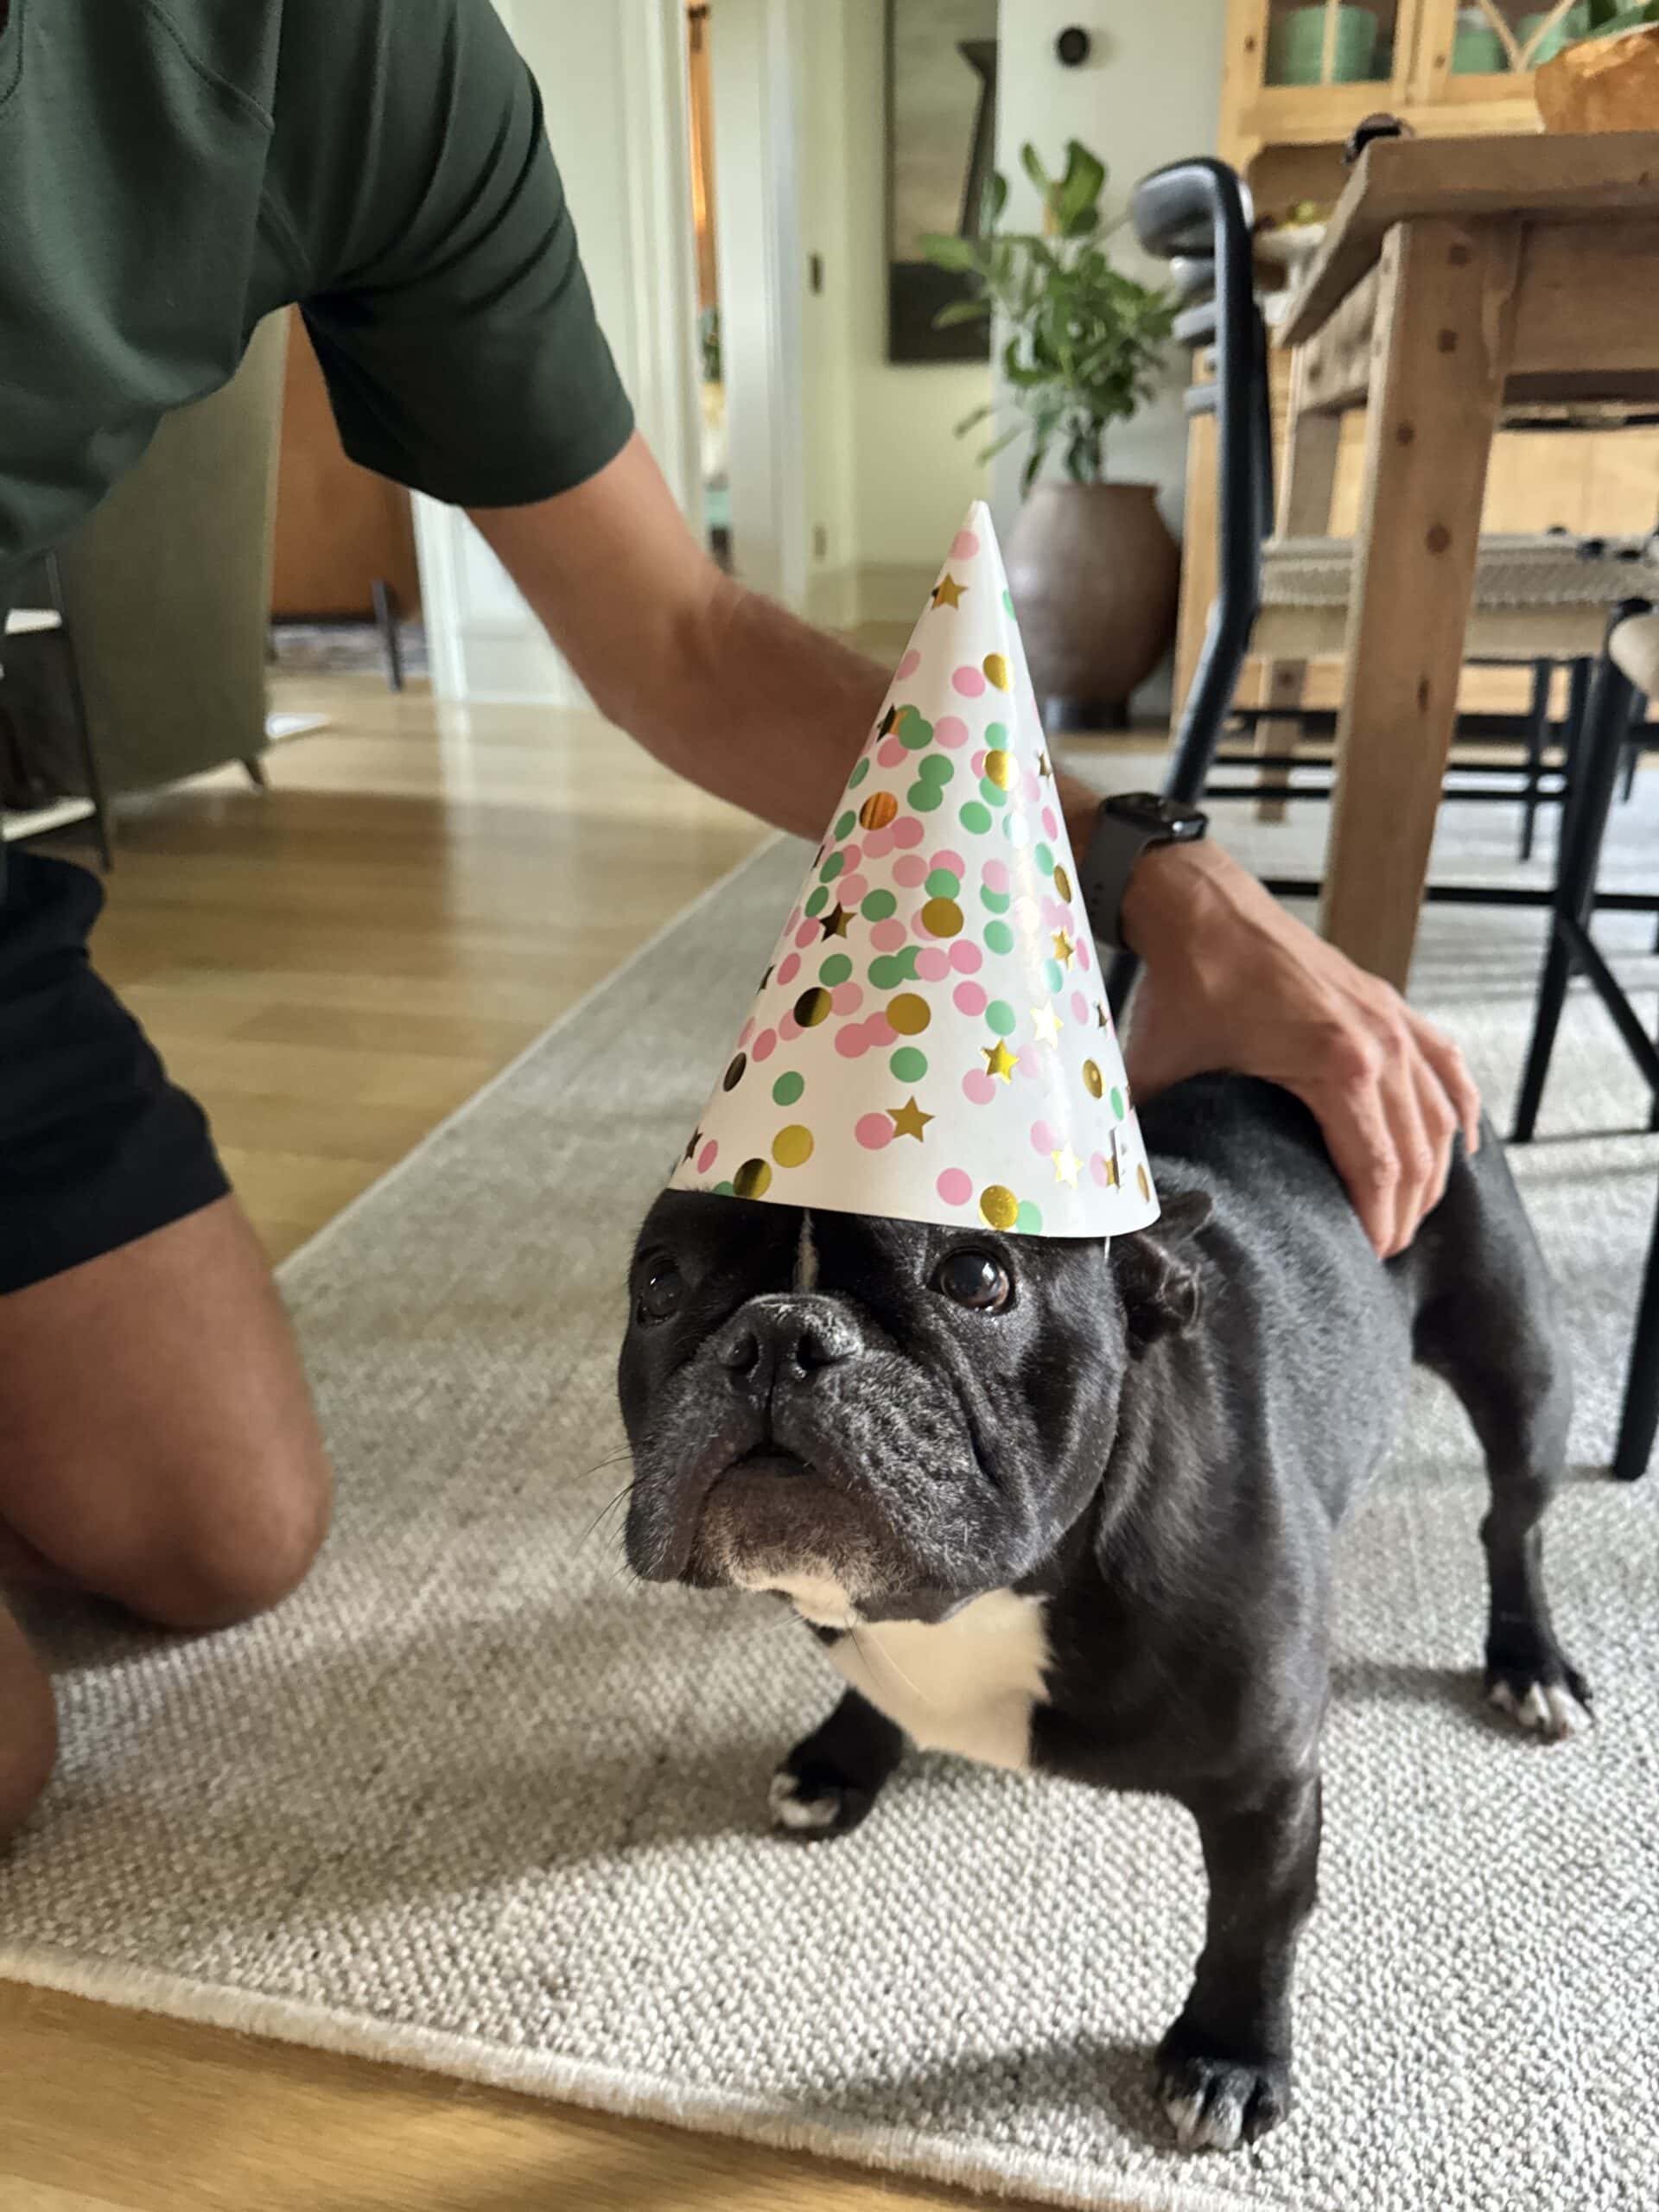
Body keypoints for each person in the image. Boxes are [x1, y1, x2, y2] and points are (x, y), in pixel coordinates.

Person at [0, 0, 1479, 1841]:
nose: (790, 1350)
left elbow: (679, 636)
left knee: (221, 1527)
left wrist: (1164, 875)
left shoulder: (364, 55)